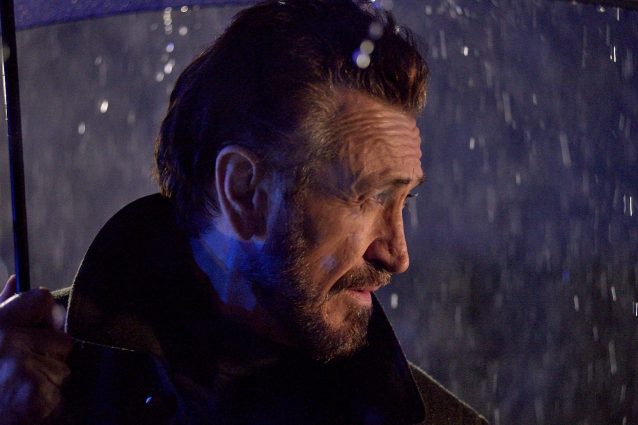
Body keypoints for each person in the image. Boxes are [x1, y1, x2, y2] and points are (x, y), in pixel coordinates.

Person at [0, 0, 488, 424]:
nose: (398, 255)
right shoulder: (40, 387)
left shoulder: (440, 420)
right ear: (243, 190)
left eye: (405, 200)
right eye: (370, 197)